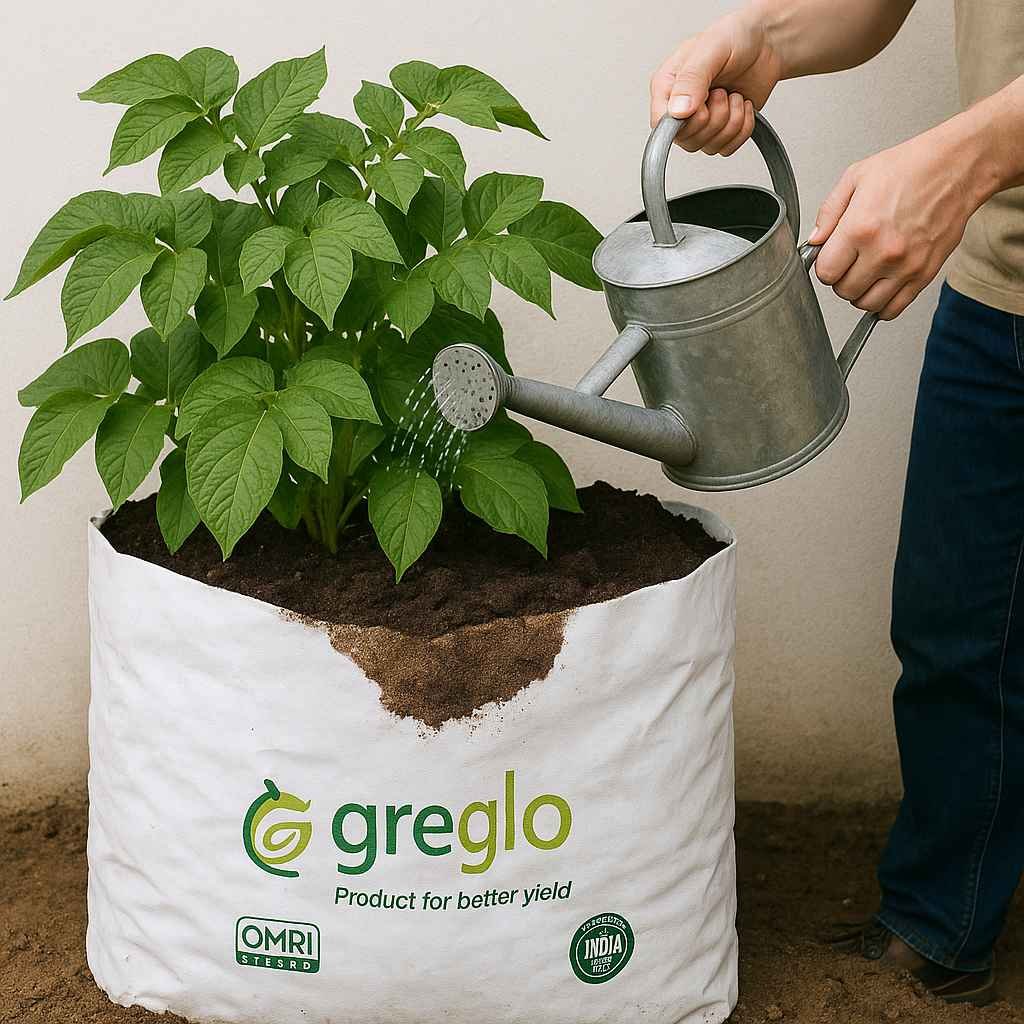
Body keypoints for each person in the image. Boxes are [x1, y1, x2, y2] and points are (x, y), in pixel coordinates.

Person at [652, 0, 1024, 1007]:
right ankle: (939, 922)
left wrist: (968, 154)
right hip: (1006, 284)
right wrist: (766, 37)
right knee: (958, 630)